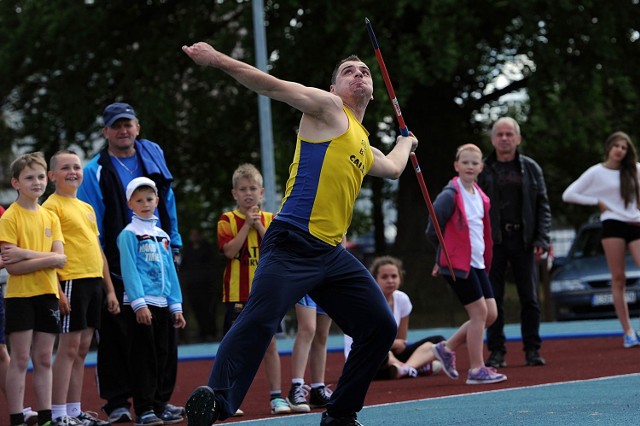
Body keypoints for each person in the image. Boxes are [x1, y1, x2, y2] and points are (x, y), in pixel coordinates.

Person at [181, 41, 418, 426]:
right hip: (291, 242)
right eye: (349, 71)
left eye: (365, 72)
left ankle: (340, 414)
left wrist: (406, 142)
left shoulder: (360, 140)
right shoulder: (326, 109)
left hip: (331, 254)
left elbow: (392, 167)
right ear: (332, 89)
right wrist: (216, 60)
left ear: (372, 90)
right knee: (260, 318)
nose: (359, 74)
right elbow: (269, 84)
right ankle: (217, 402)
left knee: (380, 327)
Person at [77, 102, 184, 423]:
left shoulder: (152, 157)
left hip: (157, 258)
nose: (123, 130)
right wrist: (100, 265)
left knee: (163, 336)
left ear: (137, 127)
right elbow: (92, 221)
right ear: (105, 132)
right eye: (116, 125)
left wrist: (174, 242)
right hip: (115, 263)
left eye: (128, 124)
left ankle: (159, 401)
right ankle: (119, 401)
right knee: (117, 335)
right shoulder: (95, 169)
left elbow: (167, 200)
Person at [43, 150, 120, 425]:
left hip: (93, 283)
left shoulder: (86, 207)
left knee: (83, 348)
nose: (73, 171)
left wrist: (109, 290)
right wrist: (58, 290)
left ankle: (74, 411)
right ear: (52, 176)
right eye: (66, 168)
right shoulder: (51, 207)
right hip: (71, 281)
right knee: (68, 347)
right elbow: (48, 252)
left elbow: (97, 249)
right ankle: (58, 413)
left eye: (76, 166)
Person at [427, 144, 506, 385]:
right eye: (465, 162)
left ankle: (446, 347)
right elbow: (433, 229)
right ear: (457, 165)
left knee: (490, 314)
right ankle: (476, 369)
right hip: (458, 264)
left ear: (481, 167)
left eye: (475, 163)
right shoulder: (450, 195)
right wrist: (443, 256)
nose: (470, 166)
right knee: (479, 313)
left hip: (478, 262)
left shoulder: (480, 196)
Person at [476, 117, 551, 368]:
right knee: (492, 299)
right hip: (493, 242)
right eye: (500, 134)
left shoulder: (531, 168)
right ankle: (496, 351)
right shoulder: (482, 169)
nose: (505, 138)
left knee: (529, 297)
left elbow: (542, 205)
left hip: (524, 240)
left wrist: (541, 237)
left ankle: (532, 349)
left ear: (518, 138)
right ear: (493, 139)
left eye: (510, 134)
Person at [217, 163, 291, 416]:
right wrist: (246, 225)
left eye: (253, 189)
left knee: (269, 344)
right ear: (234, 193)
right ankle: (229, 397)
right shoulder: (227, 220)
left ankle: (276, 396)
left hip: (266, 295)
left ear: (262, 192)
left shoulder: (272, 219)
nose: (248, 193)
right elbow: (229, 251)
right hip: (238, 295)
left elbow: (278, 249)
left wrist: (258, 225)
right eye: (243, 189)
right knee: (234, 346)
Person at [0, 152, 67, 426]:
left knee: (43, 358)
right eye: (29, 177)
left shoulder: (50, 216)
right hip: (20, 296)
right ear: (16, 183)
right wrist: (47, 258)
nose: (37, 182)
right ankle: (16, 417)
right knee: (20, 358)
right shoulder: (9, 218)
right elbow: (12, 267)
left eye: (41, 176)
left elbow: (61, 259)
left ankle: (47, 417)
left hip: (47, 294)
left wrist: (26, 254)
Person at [117, 177, 187, 425]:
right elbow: (129, 270)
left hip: (162, 306)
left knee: (165, 356)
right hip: (142, 306)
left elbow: (170, 270)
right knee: (144, 359)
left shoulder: (162, 235)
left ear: (157, 201)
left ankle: (161, 404)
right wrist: (139, 303)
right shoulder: (129, 234)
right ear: (130, 204)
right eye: (139, 200)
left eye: (149, 199)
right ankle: (145, 409)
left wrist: (175, 305)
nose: (145, 204)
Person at [562, 131, 640, 348]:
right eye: (616, 146)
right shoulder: (596, 172)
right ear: (608, 147)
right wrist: (597, 201)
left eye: (624, 148)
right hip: (612, 224)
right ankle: (628, 332)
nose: (620, 150)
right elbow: (568, 194)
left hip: (635, 224)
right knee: (618, 278)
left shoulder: (635, 169)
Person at [344, 256, 444, 381]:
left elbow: (401, 342)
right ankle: (415, 368)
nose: (390, 280)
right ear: (374, 279)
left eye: (394, 276)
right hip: (366, 357)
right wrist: (392, 345)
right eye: (384, 277)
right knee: (382, 355)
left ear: (400, 278)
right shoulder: (367, 301)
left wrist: (392, 346)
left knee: (439, 341)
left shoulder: (402, 299)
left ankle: (405, 369)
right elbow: (367, 342)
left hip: (390, 351)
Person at [287, 296, 333, 412]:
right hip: (306, 280)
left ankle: (318, 389)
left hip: (327, 282)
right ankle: (296, 387)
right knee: (308, 328)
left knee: (322, 334)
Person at [180, 228, 218, 341]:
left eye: (196, 234)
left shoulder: (208, 249)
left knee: (208, 309)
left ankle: (211, 332)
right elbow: (183, 266)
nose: (193, 237)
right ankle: (202, 332)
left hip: (206, 285)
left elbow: (212, 266)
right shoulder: (187, 250)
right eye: (192, 234)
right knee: (197, 309)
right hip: (192, 285)